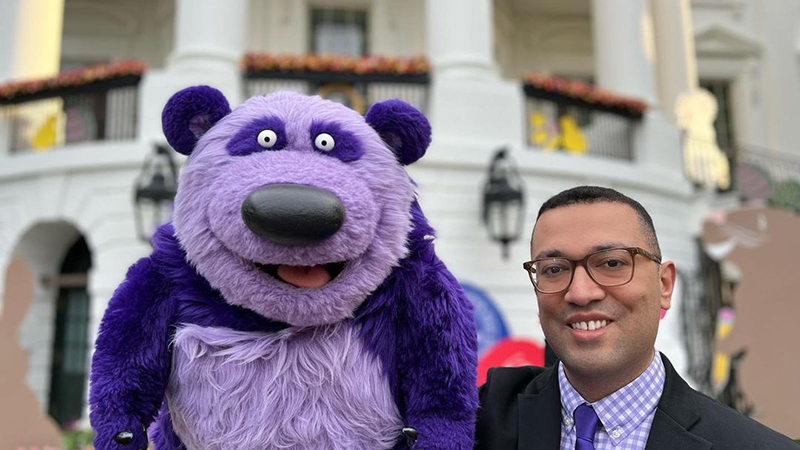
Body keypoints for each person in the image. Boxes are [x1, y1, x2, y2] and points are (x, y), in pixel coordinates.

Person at [475, 186, 799, 449]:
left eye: (612, 263)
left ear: (664, 285)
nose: (581, 293)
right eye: (554, 269)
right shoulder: (481, 419)